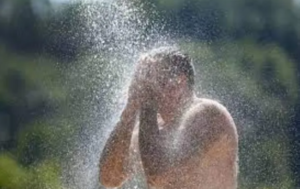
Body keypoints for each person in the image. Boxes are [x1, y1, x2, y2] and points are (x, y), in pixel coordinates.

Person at [99, 47, 239, 189]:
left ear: (179, 82)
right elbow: (109, 179)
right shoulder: (151, 129)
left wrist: (147, 101)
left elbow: (159, 176)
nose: (146, 87)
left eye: (152, 79)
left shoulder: (208, 113)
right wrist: (130, 109)